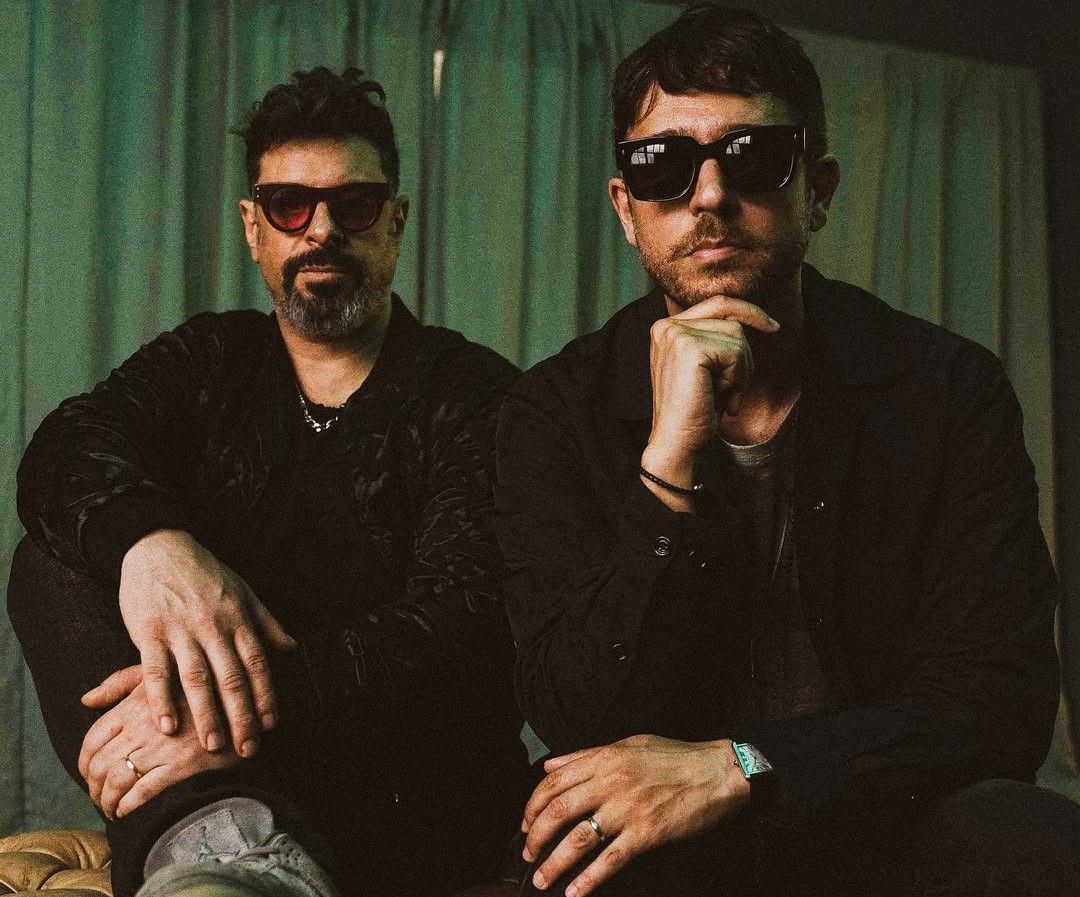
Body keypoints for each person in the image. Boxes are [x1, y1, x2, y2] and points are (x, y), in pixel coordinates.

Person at [495, 6, 1080, 896]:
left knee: (1030, 838)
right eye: (663, 166)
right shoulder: (551, 410)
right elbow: (579, 713)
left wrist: (746, 764)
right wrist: (667, 464)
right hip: (672, 854)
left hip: (883, 819)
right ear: (625, 209)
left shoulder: (947, 388)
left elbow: (1000, 703)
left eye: (754, 155)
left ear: (820, 188)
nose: (708, 196)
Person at [12, 67, 527, 897]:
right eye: (290, 205)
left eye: (354, 206)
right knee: (52, 559)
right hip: (232, 807)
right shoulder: (212, 358)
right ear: (253, 229)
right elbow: (65, 447)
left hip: (404, 807)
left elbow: (459, 627)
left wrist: (230, 715)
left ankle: (220, 835)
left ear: (395, 223)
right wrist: (153, 546)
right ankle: (224, 840)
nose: (321, 230)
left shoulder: (478, 395)